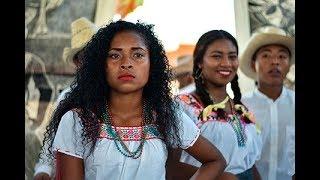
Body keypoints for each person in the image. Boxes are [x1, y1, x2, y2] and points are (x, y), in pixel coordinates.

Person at [42, 20, 227, 180]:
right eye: (115, 55)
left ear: (151, 64)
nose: (126, 63)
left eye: (138, 54)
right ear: (100, 65)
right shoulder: (77, 121)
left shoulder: (167, 116)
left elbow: (215, 160)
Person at [173, 30, 262, 180]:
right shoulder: (182, 106)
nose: (226, 63)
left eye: (232, 57)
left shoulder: (241, 109)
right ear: (200, 62)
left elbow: (249, 163)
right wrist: (222, 177)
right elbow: (171, 166)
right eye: (217, 56)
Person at [34, 17, 98, 180]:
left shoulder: (122, 96)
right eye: (86, 56)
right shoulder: (67, 97)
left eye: (97, 53)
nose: (94, 61)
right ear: (77, 62)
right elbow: (51, 136)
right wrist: (44, 168)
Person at [239, 26, 295, 180]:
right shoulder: (241, 107)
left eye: (282, 56)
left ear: (289, 65)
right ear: (253, 64)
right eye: (266, 56)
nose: (275, 62)